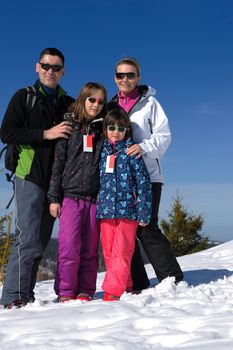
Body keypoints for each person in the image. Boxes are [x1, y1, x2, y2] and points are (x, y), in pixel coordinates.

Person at [0, 48, 74, 309]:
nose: (50, 71)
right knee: (28, 237)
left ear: (63, 71)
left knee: (40, 242)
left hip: (57, 181)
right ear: (37, 67)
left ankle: (25, 295)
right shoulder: (24, 97)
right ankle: (12, 297)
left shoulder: (68, 102)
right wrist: (46, 134)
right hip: (29, 175)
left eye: (55, 67)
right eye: (45, 66)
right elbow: (7, 132)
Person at [108, 57, 183, 290]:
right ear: (115, 78)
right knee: (126, 228)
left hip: (148, 174)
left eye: (130, 75)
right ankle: (137, 282)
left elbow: (164, 135)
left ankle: (172, 278)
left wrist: (144, 148)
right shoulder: (111, 106)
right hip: (119, 179)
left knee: (146, 225)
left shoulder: (150, 104)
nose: (125, 79)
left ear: (138, 77)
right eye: (121, 75)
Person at [47, 82, 107, 303]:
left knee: (90, 250)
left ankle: (85, 290)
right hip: (71, 197)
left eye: (101, 101)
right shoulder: (69, 126)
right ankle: (65, 291)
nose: (96, 104)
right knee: (69, 246)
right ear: (83, 99)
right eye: (92, 99)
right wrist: (54, 198)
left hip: (94, 199)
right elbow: (58, 163)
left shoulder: (103, 130)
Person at [96, 109, 152, 301]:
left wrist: (144, 213)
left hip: (128, 211)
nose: (116, 132)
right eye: (112, 127)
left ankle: (113, 291)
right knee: (110, 252)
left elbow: (144, 184)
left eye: (121, 128)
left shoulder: (131, 153)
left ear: (127, 131)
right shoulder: (101, 152)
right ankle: (126, 284)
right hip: (105, 211)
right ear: (105, 129)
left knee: (122, 251)